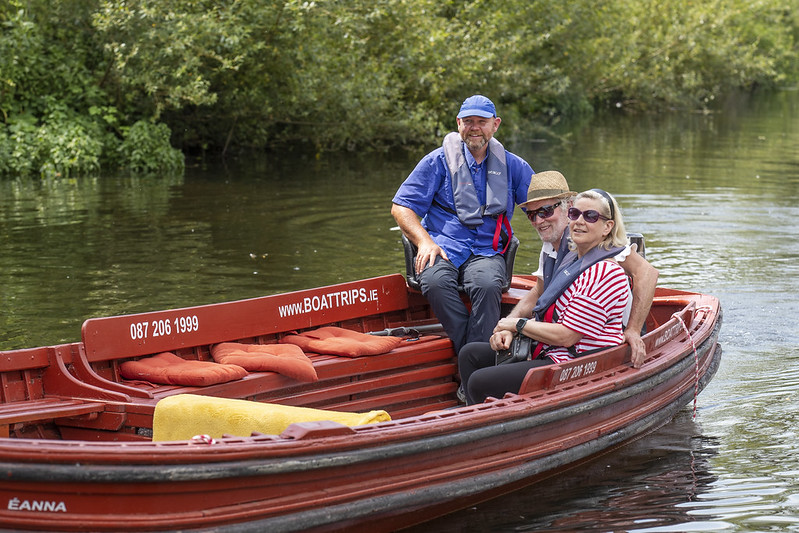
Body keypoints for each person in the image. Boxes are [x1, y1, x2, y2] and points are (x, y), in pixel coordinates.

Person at [459, 189, 633, 404]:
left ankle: (486, 427)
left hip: (578, 363)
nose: (579, 221)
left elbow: (566, 336)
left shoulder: (604, 272)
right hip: (553, 350)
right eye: (575, 214)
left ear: (607, 227)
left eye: (590, 216)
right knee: (470, 355)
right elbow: (550, 312)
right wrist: (512, 330)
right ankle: (480, 417)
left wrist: (517, 325)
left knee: (480, 381)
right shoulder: (573, 261)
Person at [391, 95, 534, 354]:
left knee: (488, 285)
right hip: (442, 247)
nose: (475, 127)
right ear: (459, 124)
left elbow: (540, 206)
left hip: (486, 251)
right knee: (434, 282)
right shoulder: (436, 161)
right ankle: (474, 355)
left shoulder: (513, 165)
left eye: (482, 121)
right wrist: (424, 241)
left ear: (495, 125)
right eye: (468, 121)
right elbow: (401, 207)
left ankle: (470, 359)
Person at [502, 171, 658, 367]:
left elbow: (648, 273)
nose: (539, 221)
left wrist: (634, 330)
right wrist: (507, 325)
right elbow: (538, 293)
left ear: (567, 206)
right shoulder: (550, 245)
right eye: (532, 215)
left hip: (601, 342)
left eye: (546, 211)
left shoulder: (598, 244)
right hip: (561, 341)